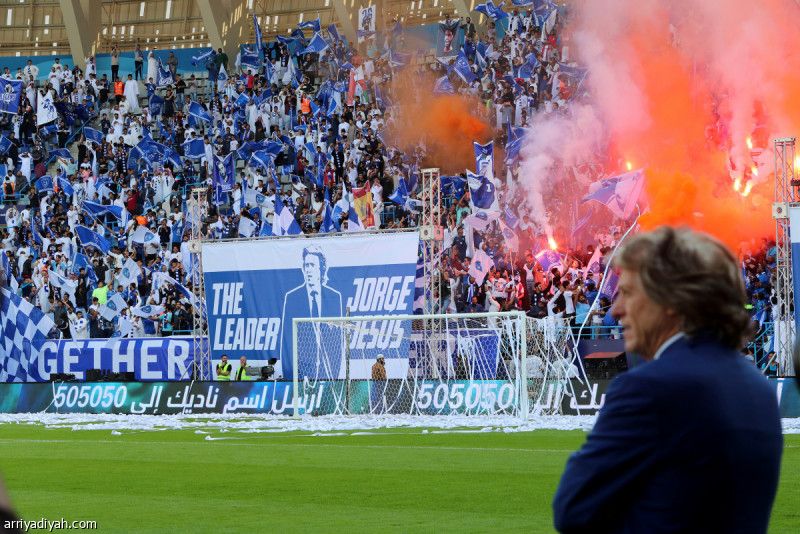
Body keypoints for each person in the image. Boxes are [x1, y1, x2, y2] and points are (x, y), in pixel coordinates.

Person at [553, 227, 782, 534]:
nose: (617, 309)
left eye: (629, 292)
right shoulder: (759, 389)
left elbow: (573, 509)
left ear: (672, 301)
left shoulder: (648, 388)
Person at [279, 245, 343, 380]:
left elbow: (337, 342)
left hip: (328, 375)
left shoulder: (334, 297)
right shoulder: (292, 298)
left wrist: (333, 377)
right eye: (306, 265)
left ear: (321, 268)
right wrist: (290, 378)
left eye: (312, 265)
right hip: (301, 375)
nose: (308, 270)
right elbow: (287, 342)